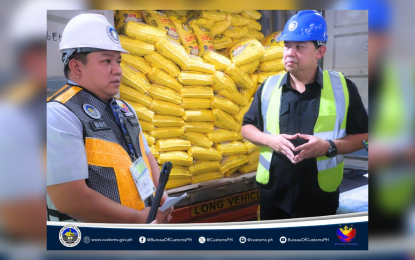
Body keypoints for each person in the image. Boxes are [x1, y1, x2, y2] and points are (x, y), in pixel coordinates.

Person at [241, 10, 368, 220]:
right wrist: (269, 140)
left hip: (319, 198)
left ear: (320, 52)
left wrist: (329, 147)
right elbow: (247, 127)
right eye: (287, 45)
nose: (289, 53)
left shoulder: (342, 88)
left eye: (299, 47)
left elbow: (365, 137)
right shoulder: (268, 87)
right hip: (273, 197)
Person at [47, 13, 172, 223]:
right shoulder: (58, 115)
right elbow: (70, 199)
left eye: (118, 61)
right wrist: (139, 220)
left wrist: (161, 198)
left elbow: (147, 159)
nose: (118, 70)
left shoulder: (124, 109)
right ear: (77, 67)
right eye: (106, 61)